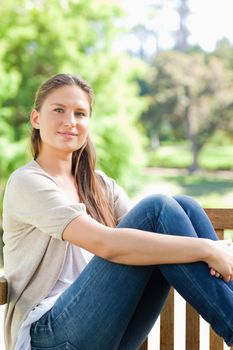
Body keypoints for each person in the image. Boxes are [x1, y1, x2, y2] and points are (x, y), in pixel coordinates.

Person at [2, 73, 233, 350]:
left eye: (80, 113)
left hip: (104, 329)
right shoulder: (28, 182)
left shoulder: (98, 184)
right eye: (59, 110)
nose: (70, 121)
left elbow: (155, 227)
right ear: (36, 118)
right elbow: (107, 244)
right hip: (47, 336)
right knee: (157, 207)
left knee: (185, 206)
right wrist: (209, 249)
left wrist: (210, 250)